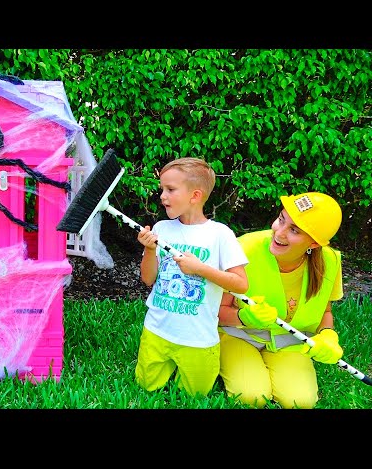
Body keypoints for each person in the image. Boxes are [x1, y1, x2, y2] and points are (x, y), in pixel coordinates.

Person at [218, 191, 344, 409]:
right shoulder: (243, 248)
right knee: (251, 397)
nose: (279, 232)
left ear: (313, 244)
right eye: (281, 219)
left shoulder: (330, 261)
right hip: (238, 336)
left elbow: (325, 312)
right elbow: (217, 311)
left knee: (301, 403)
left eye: (294, 230)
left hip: (290, 342)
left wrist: (329, 336)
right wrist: (244, 317)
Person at [135, 157, 249, 397]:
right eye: (162, 189)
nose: (162, 196)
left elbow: (241, 284)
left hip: (198, 337)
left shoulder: (220, 235)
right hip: (157, 330)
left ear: (195, 196)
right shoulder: (162, 228)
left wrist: (200, 269)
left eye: (170, 189)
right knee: (146, 386)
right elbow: (148, 280)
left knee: (195, 395)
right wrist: (149, 249)